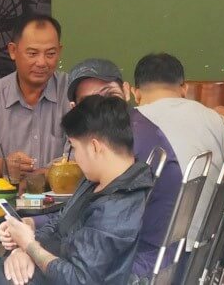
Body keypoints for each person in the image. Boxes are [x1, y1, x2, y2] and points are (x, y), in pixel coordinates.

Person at [0, 96, 154, 285]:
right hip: (37, 271)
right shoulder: (98, 181)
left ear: (94, 147)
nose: (74, 157)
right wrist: (26, 233)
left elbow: (78, 279)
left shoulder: (117, 208)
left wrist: (30, 246)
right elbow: (61, 220)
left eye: (74, 148)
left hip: (49, 278)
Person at [60, 58, 182, 281]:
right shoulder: (136, 129)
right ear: (76, 110)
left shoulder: (125, 144)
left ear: (127, 92)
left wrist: (31, 244)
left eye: (110, 96)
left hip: (137, 266)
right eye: (92, 103)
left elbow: (83, 224)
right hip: (153, 258)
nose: (105, 107)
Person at [132, 53, 224, 254]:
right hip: (206, 249)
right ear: (184, 89)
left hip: (153, 255)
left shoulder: (131, 124)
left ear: (135, 93)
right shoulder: (213, 118)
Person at [0, 15, 70, 182]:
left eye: (50, 53)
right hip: (5, 204)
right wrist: (2, 167)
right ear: (13, 51)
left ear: (59, 51)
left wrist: (41, 175)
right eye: (32, 53)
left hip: (64, 204)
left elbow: (86, 163)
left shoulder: (72, 93)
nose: (42, 62)